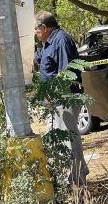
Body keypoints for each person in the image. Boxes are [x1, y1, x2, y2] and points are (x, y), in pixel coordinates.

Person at [34, 11, 89, 186]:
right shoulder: (47, 42)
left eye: (36, 29)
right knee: (58, 138)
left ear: (44, 27)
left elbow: (67, 73)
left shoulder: (62, 40)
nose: (35, 32)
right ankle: (72, 175)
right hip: (54, 100)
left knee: (68, 139)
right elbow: (42, 62)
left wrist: (54, 94)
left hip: (66, 98)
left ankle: (77, 181)